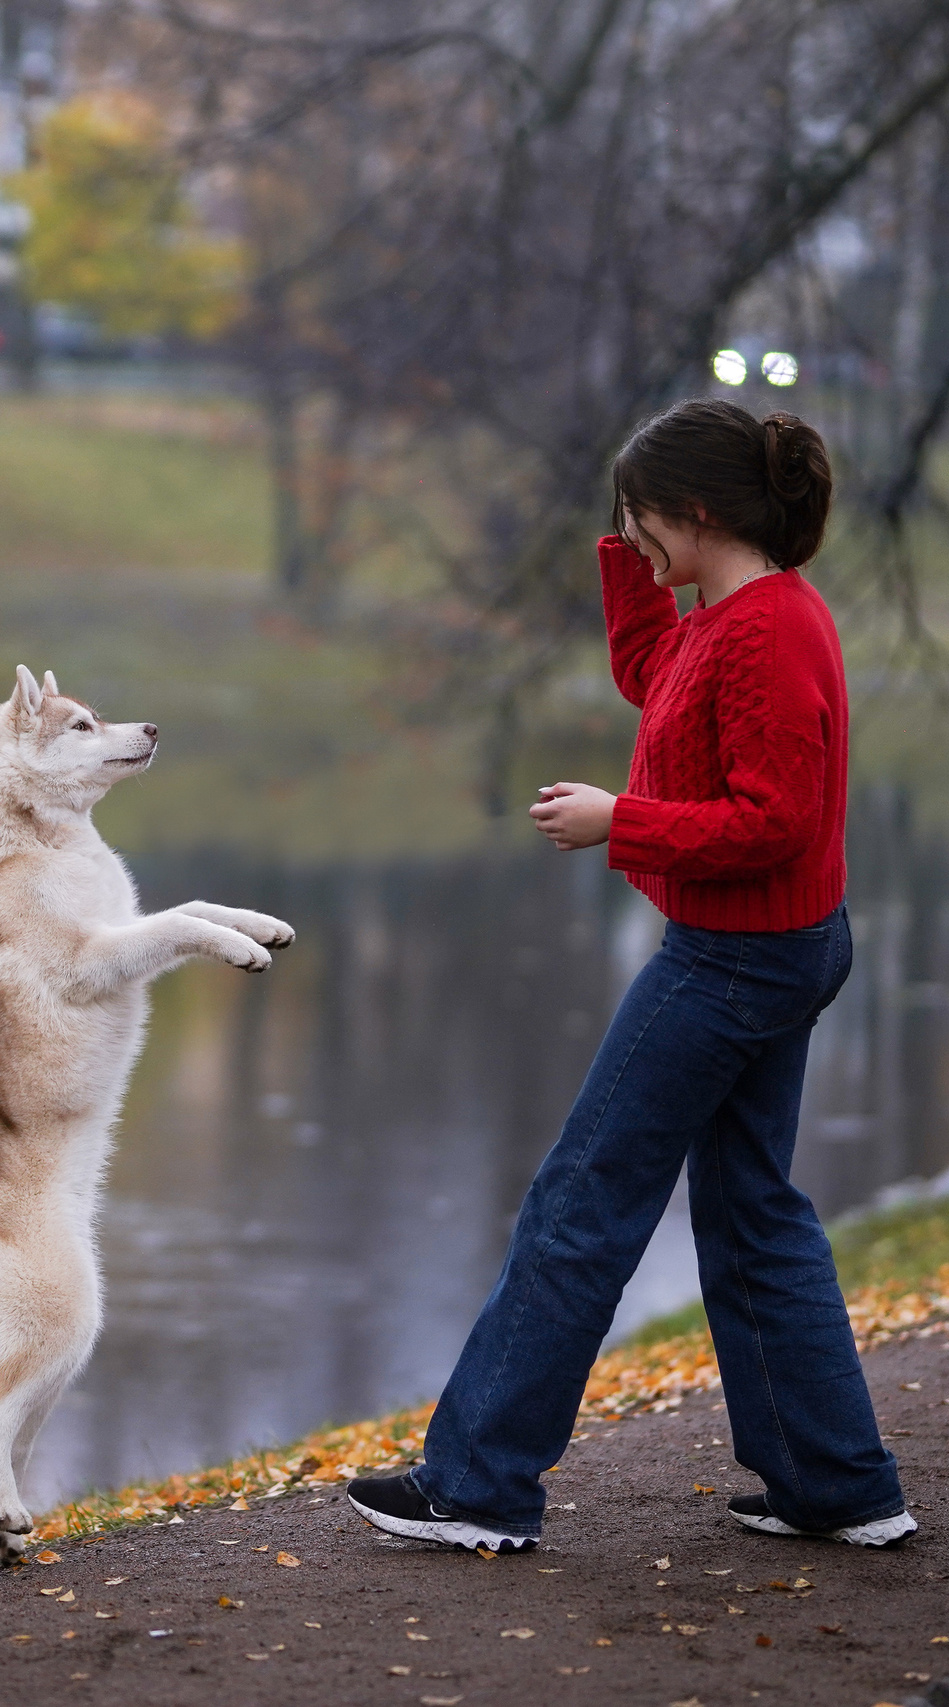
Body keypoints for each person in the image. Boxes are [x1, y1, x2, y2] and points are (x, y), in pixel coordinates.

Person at [348, 398, 912, 1554]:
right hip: (771, 951)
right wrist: (626, 550)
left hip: (733, 964)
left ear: (697, 512)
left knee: (581, 1203)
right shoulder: (733, 617)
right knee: (752, 1213)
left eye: (643, 515)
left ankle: (476, 1486)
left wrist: (623, 821)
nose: (634, 534)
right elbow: (654, 672)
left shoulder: (766, 632)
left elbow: (773, 819)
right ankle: (835, 1487)